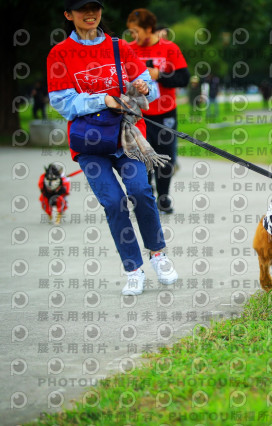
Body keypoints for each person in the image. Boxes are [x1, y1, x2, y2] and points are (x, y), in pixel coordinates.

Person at [47, 0, 178, 295]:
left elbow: (148, 85)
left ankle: (158, 254)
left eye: (95, 7)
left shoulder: (119, 47)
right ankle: (133, 268)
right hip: (90, 143)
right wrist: (102, 100)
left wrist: (145, 87)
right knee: (114, 202)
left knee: (142, 191)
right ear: (68, 15)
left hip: (127, 137)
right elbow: (62, 102)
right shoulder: (59, 54)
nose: (90, 14)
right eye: (82, 10)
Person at [127, 8, 190, 214]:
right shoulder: (129, 49)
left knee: (165, 157)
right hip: (139, 114)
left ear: (149, 28)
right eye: (131, 32)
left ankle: (163, 197)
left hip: (165, 113)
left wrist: (159, 75)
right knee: (142, 157)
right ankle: (147, 196)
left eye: (136, 31)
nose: (133, 36)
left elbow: (183, 79)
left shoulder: (170, 48)